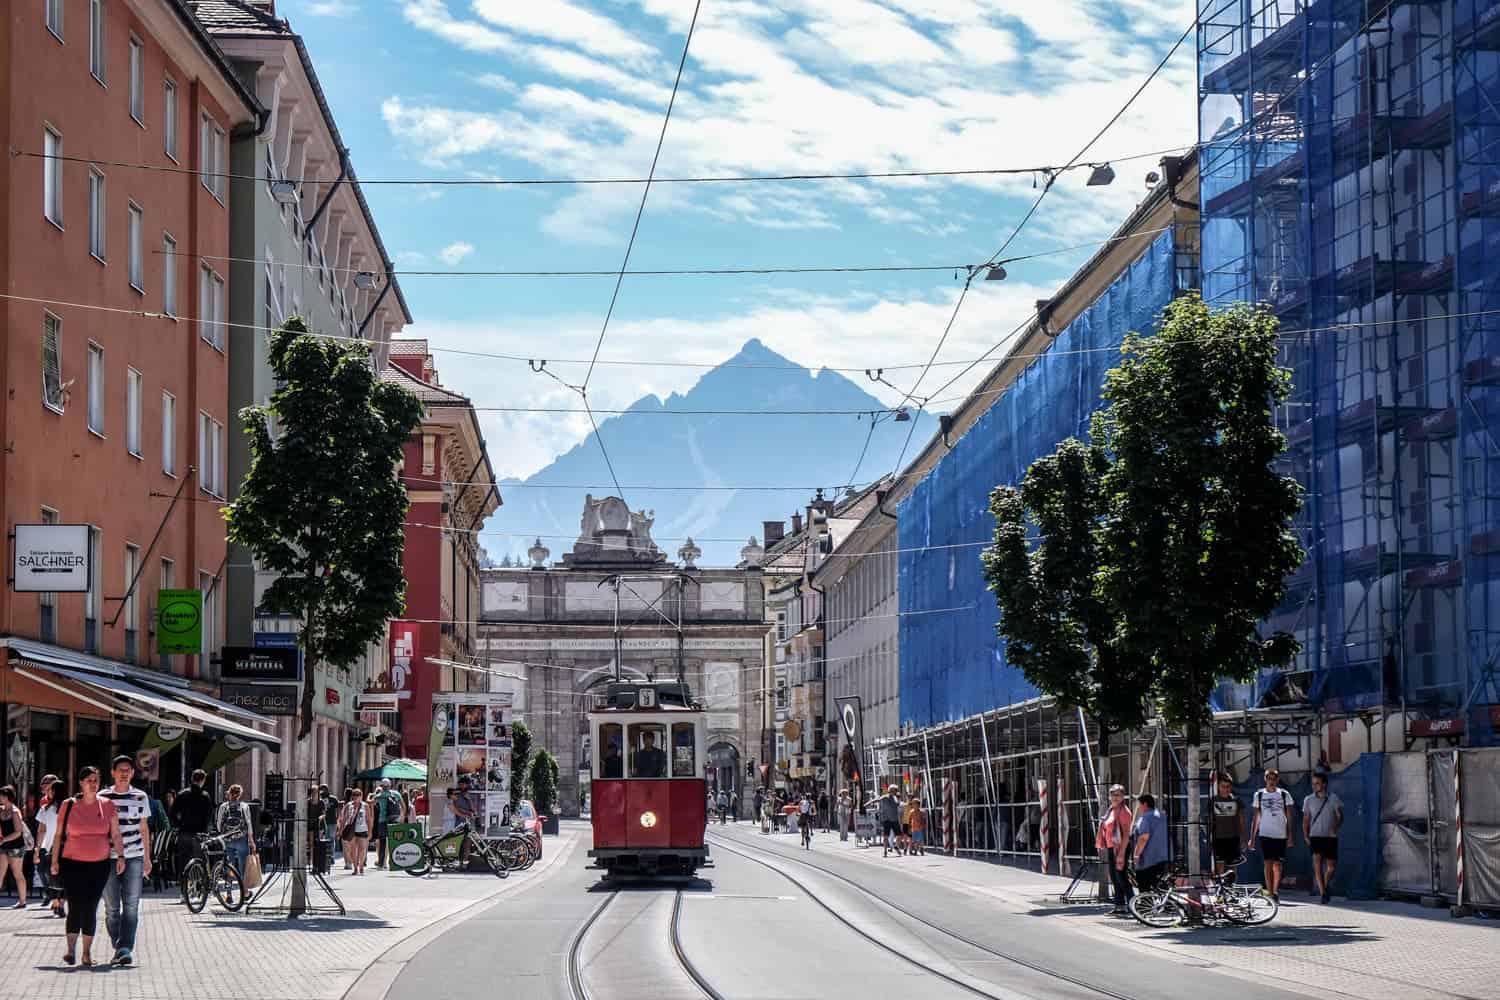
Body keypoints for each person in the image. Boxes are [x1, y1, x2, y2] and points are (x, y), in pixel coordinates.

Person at [52, 766, 127, 968]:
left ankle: (86, 953)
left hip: (99, 865)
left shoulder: (108, 805)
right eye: (89, 780)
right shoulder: (68, 805)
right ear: (81, 783)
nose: (93, 784)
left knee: (91, 907)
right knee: (75, 906)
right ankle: (70, 950)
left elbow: (116, 834)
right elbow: (58, 835)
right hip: (72, 864)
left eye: (96, 780)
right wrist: (54, 861)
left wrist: (121, 856)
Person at [100, 755, 150, 967]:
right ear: (112, 772)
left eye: (128, 770)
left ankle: (125, 948)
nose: (124, 773)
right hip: (107, 857)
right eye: (120, 769)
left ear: (132, 773)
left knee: (131, 905)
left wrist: (147, 857)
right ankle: (118, 944)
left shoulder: (140, 796)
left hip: (134, 856)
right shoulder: (103, 796)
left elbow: (144, 828)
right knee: (112, 907)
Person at [1249, 767, 1296, 902]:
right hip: (1265, 833)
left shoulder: (1284, 794)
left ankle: (1275, 890)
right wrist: (1252, 838)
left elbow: (1289, 816)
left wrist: (1290, 835)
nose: (1271, 781)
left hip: (1280, 834)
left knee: (1278, 865)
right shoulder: (1259, 795)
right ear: (1265, 779)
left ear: (1277, 780)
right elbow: (1256, 817)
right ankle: (1270, 893)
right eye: (1269, 778)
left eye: (1274, 779)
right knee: (1267, 863)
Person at [1303, 772, 1344, 904]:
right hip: (1315, 836)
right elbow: (1306, 820)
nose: (1314, 786)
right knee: (1317, 865)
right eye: (1313, 783)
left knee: (1331, 867)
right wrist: (1305, 835)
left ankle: (1325, 887)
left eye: (1317, 783)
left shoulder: (1333, 798)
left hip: (1330, 837)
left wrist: (1335, 828)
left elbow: (1340, 817)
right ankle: (1323, 893)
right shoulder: (1308, 799)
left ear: (1324, 784)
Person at [1096, 785, 1134, 916]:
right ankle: (1119, 905)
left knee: (1121, 877)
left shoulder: (1124, 812)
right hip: (1112, 847)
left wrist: (1122, 854)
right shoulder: (1112, 809)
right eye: (1113, 794)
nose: (1115, 797)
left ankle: (1133, 905)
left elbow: (1126, 835)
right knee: (1114, 877)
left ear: (1123, 796)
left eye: (1118, 795)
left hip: (1121, 847)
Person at [170, 769, 213, 879]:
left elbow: (172, 813)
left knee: (184, 860)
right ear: (202, 780)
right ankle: (198, 885)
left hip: (184, 832)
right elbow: (208, 815)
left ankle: (184, 886)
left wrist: (179, 824)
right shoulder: (205, 796)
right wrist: (206, 829)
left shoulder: (182, 794)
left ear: (192, 779)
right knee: (199, 860)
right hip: (199, 833)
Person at [33, 778, 66, 919]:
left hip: (49, 848)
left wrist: (37, 848)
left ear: (53, 792)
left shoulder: (45, 809)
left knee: (50, 877)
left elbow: (41, 830)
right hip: (67, 848)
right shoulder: (71, 807)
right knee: (65, 878)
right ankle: (61, 904)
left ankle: (55, 902)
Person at [215, 784, 256, 879]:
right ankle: (244, 889)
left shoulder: (223, 806)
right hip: (241, 838)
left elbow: (218, 823)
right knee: (243, 866)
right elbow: (248, 824)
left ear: (229, 793)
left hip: (227, 839)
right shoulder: (244, 806)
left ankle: (228, 890)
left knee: (229, 865)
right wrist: (251, 841)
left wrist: (223, 834)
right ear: (240, 794)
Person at [0, 785, 31, 907]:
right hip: (3, 845)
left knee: (17, 873)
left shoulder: (15, 812)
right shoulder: (1, 810)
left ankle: (22, 901)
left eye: (1, 795)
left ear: (7, 797)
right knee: (0, 871)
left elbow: (18, 832)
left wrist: (4, 840)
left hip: (16, 846)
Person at [1132, 793, 1169, 894]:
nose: (1138, 807)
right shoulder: (1162, 816)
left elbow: (1143, 837)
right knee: (1159, 887)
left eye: (1139, 804)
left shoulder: (1145, 818)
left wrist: (1136, 854)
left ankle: (1145, 908)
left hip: (1147, 860)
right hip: (1163, 858)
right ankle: (1165, 906)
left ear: (1145, 804)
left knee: (1144, 887)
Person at [1209, 774, 1244, 876]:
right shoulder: (1213, 800)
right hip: (1218, 838)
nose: (1226, 789)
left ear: (1231, 787)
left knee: (1233, 866)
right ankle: (1220, 888)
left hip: (1233, 838)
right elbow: (1210, 819)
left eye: (1228, 786)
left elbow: (1241, 820)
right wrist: (1209, 836)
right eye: (1223, 786)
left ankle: (1231, 888)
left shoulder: (1236, 800)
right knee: (1219, 865)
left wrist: (1243, 838)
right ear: (1218, 787)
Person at [372, 778, 404, 868]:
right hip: (395, 820)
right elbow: (403, 806)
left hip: (382, 821)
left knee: (382, 843)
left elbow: (370, 802)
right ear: (390, 785)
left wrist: (371, 795)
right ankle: (394, 862)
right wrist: (401, 818)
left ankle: (381, 863)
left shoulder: (380, 795)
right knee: (395, 841)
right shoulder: (396, 794)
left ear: (382, 786)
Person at [339, 788, 372, 875]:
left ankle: (361, 865)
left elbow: (368, 819)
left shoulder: (365, 806)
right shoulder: (348, 805)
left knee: (362, 849)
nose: (356, 797)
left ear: (361, 796)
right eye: (354, 795)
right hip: (351, 830)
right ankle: (355, 868)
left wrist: (370, 831)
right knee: (353, 850)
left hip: (362, 829)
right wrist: (340, 830)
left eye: (358, 795)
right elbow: (343, 819)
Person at [877, 785, 902, 858]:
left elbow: (898, 804)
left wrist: (898, 799)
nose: (896, 792)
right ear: (891, 790)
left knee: (899, 835)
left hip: (895, 819)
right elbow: (877, 800)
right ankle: (885, 851)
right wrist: (866, 805)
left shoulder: (895, 798)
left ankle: (896, 846)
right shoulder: (885, 797)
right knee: (885, 836)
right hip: (887, 819)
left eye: (896, 790)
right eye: (895, 790)